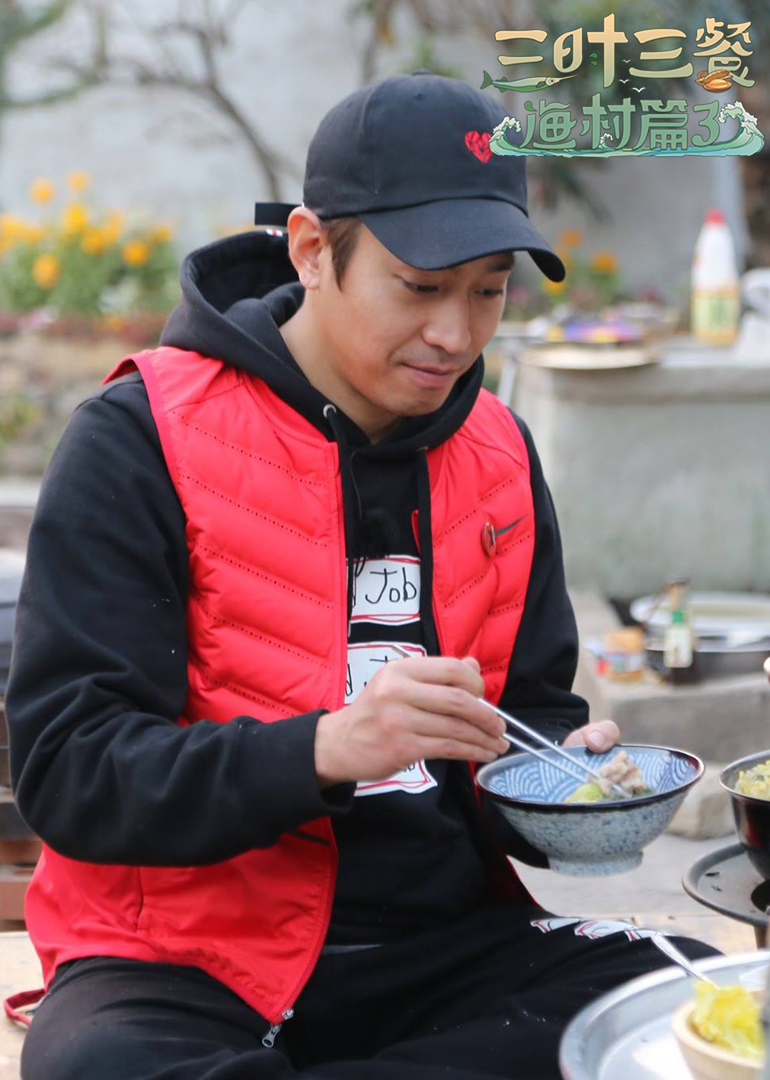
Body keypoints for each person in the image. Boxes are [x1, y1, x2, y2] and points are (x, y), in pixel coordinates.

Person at [7, 72, 714, 1080]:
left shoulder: (500, 453)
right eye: (420, 287)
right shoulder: (141, 436)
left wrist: (565, 777)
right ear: (310, 249)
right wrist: (328, 747)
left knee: (690, 1004)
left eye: (487, 290)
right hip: (183, 959)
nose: (456, 334)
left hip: (440, 947)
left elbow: (531, 708)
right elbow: (70, 770)